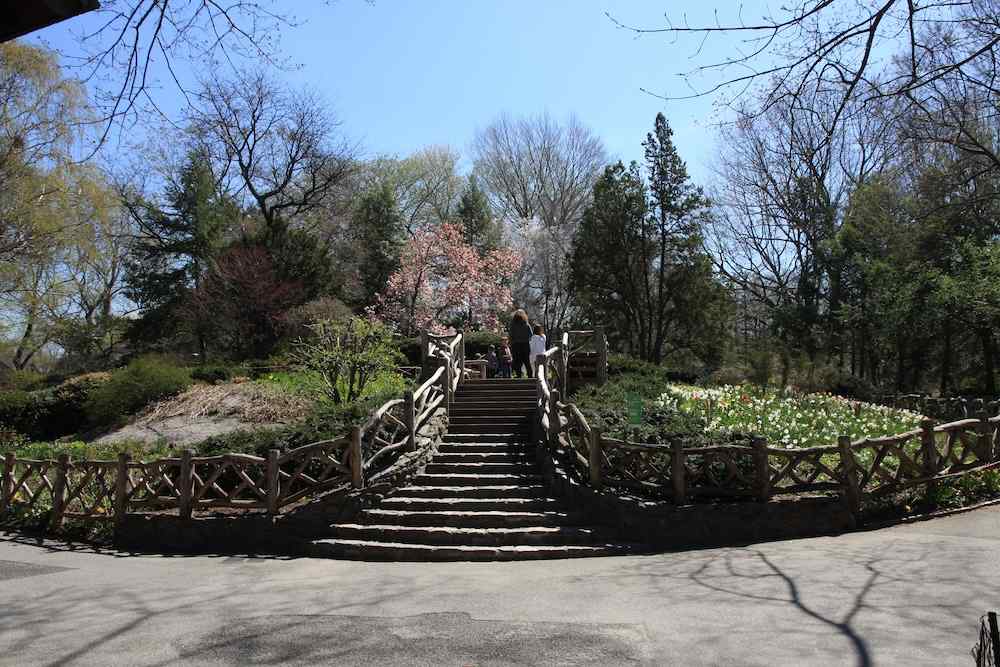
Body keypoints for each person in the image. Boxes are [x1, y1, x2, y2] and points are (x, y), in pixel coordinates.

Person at [508, 309, 532, 378]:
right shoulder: (526, 324)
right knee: (527, 362)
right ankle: (530, 377)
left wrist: (512, 342)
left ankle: (519, 377)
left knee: (517, 362)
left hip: (516, 346)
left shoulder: (513, 325)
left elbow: (510, 335)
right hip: (525, 345)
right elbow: (531, 335)